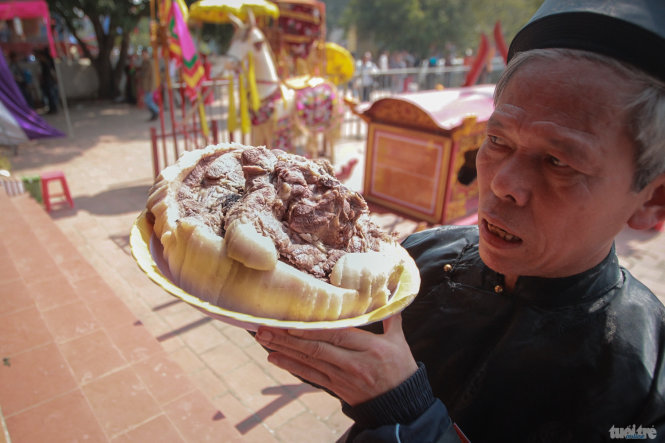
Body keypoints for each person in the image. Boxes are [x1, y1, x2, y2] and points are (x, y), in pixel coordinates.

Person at [253, 0, 665, 441]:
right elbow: (330, 352)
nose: (502, 182)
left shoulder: (646, 385)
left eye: (557, 161)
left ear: (653, 200)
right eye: (496, 140)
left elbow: (388, 401)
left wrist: (407, 413)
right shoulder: (416, 262)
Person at [136, 50, 159, 121]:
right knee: (148, 100)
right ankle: (154, 113)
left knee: (148, 100)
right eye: (142, 54)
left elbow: (151, 75)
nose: (143, 56)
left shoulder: (150, 62)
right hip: (145, 85)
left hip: (149, 85)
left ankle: (156, 112)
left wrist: (151, 86)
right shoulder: (144, 62)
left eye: (144, 54)